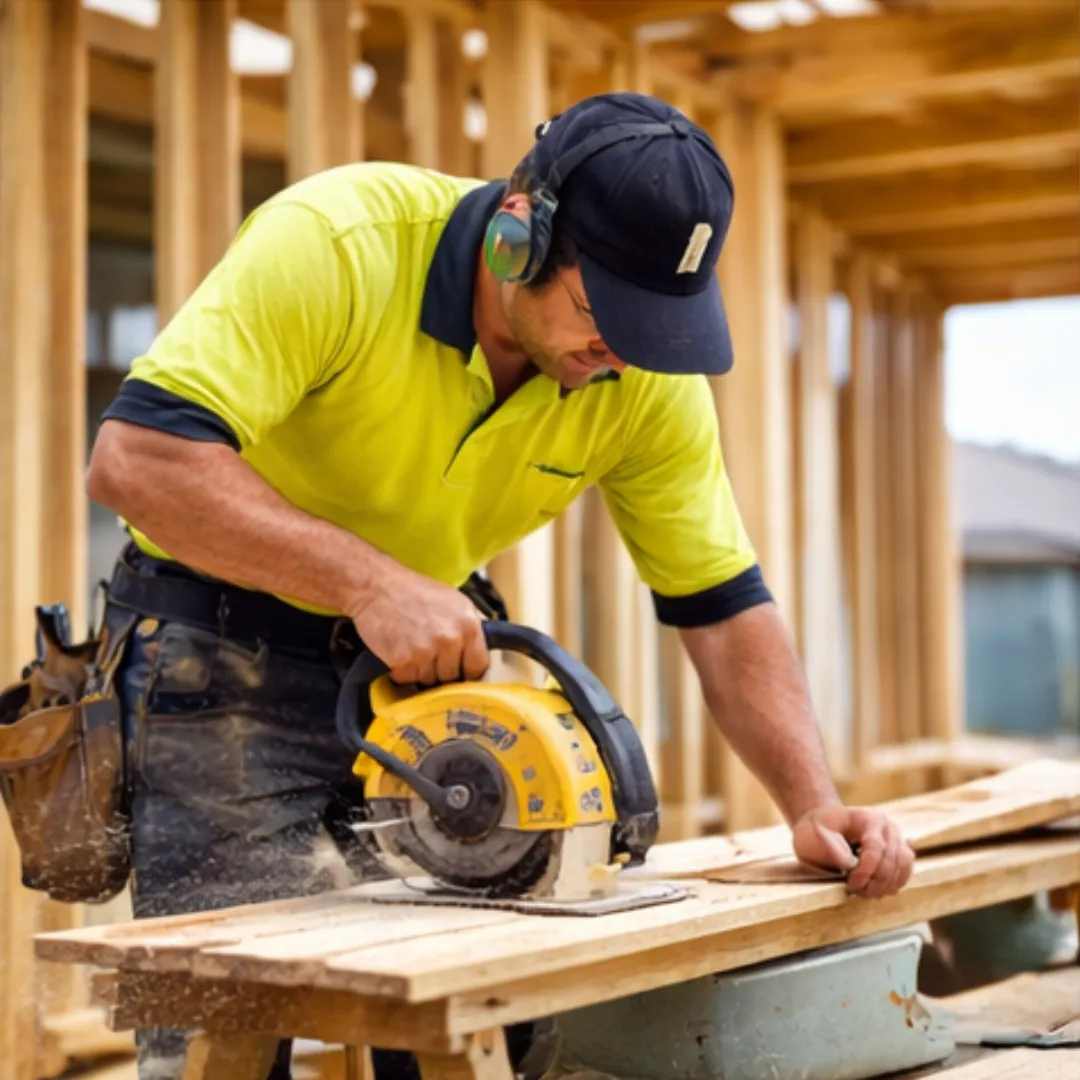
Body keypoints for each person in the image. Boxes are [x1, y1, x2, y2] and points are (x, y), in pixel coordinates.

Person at [86, 91, 915, 1080]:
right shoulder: (341, 242)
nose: (621, 354)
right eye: (606, 314)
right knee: (222, 1023)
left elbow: (720, 603)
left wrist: (811, 803)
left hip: (415, 682)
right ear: (520, 234)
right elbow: (137, 461)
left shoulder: (639, 374)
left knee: (465, 1005)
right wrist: (370, 582)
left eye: (656, 327)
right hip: (216, 662)